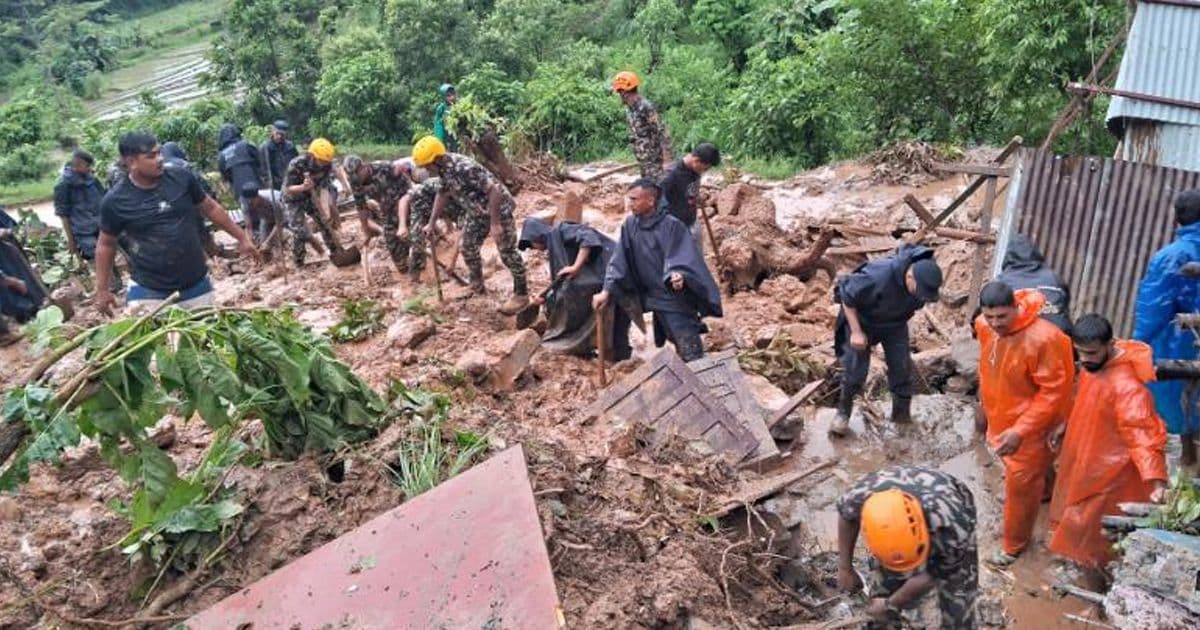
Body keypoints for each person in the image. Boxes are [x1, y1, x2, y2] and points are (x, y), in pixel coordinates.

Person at [1048, 314, 1168, 570]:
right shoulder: (1094, 368)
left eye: (1091, 353)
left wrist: (1155, 479)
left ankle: (1096, 582)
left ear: (1110, 344)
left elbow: (1142, 435)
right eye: (1080, 352)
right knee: (1077, 518)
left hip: (1111, 476)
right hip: (1086, 456)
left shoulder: (1128, 389)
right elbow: (1083, 400)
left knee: (1096, 534)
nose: (1085, 359)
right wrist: (1065, 425)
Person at [95, 132, 259, 315]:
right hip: (149, 290)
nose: (159, 159)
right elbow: (106, 244)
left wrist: (242, 238)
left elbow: (211, 208)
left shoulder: (181, 178)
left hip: (195, 283)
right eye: (151, 156)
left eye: (159, 153)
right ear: (131, 161)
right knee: (157, 340)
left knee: (204, 338)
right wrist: (102, 290)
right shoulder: (115, 201)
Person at [974, 281, 1075, 566]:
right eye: (990, 316)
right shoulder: (983, 326)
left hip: (1034, 423)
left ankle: (1013, 545)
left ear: (1015, 308)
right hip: (1002, 414)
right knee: (1033, 476)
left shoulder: (1046, 339)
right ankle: (1047, 494)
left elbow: (1054, 391)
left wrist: (1021, 430)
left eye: (1002, 317)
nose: (995, 323)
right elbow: (987, 367)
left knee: (1020, 484)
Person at [593, 178, 721, 362]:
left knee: (687, 345)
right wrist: (606, 291)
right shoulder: (630, 225)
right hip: (649, 295)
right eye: (630, 199)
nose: (630, 204)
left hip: (673, 297)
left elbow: (682, 257)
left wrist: (678, 274)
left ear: (651, 201)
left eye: (635, 199)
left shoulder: (672, 226)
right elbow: (618, 260)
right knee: (620, 305)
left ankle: (701, 376)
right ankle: (619, 356)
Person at [836, 466, 978, 629]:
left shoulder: (954, 529)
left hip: (947, 511)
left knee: (958, 603)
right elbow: (846, 516)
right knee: (881, 599)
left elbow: (930, 576)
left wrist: (890, 604)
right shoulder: (858, 496)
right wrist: (845, 567)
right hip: (898, 513)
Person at [831, 245, 944, 436]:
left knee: (901, 369)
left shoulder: (924, 279)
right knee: (855, 371)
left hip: (895, 324)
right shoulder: (878, 276)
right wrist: (856, 332)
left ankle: (901, 417)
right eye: (919, 291)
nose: (921, 296)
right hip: (863, 321)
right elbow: (847, 295)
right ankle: (843, 414)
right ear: (909, 277)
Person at [412, 136, 529, 315]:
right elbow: (442, 193)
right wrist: (431, 222)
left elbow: (494, 191)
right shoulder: (444, 170)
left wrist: (495, 224)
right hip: (476, 212)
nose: (427, 171)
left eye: (427, 166)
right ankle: (477, 285)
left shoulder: (463, 168)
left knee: (507, 252)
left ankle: (521, 294)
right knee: (467, 247)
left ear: (436, 160)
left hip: (499, 209)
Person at [1134, 189, 1200, 470]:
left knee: (1175, 413)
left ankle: (1182, 472)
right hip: (1186, 340)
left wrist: (1135, 348)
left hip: (1177, 345)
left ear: (1177, 219)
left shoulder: (1171, 257)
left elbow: (1152, 308)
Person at [519, 217, 628, 357]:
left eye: (531, 245)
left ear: (536, 236)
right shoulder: (555, 245)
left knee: (619, 320)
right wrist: (544, 296)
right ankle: (616, 359)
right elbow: (563, 278)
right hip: (605, 278)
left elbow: (588, 236)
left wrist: (576, 266)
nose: (534, 249)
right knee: (614, 323)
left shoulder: (561, 230)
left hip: (614, 271)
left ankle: (620, 358)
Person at [281, 138, 356, 267]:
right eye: (320, 161)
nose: (323, 163)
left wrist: (344, 186)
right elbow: (288, 188)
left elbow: (332, 177)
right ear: (312, 155)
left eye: (325, 161)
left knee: (324, 223)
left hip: (312, 196)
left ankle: (337, 252)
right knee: (299, 230)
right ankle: (299, 261)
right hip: (293, 198)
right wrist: (303, 187)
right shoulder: (297, 164)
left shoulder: (327, 163)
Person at [993, 233, 1072, 335]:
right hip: (1057, 336)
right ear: (1035, 253)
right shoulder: (1054, 278)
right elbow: (1065, 304)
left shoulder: (1001, 281)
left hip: (1021, 339)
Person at [162, 142, 227, 260]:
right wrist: (212, 197)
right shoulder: (183, 164)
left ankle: (203, 257)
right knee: (199, 228)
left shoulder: (160, 169)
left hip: (170, 208)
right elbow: (199, 182)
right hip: (191, 203)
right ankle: (211, 254)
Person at [344, 155, 408, 272]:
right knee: (391, 239)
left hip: (404, 202)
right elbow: (361, 206)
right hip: (387, 209)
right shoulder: (355, 181)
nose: (357, 180)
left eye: (358, 175)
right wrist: (366, 230)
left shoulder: (385, 167)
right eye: (353, 177)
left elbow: (408, 188)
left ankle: (419, 269)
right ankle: (403, 268)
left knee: (412, 234)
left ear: (363, 167)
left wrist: (404, 215)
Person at [397, 176, 466, 282]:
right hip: (422, 207)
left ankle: (477, 267)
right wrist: (402, 226)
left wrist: (452, 262)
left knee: (468, 242)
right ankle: (414, 279)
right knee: (417, 240)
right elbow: (404, 199)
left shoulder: (463, 203)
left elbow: (462, 234)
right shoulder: (431, 186)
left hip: (450, 211)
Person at [0, 207, 49, 343]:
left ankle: (34, 312)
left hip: (8, 251)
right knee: (12, 291)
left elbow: (10, 225)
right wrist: (10, 281)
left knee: (25, 280)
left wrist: (8, 232)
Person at [659, 143, 721, 253]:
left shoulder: (695, 170)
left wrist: (695, 197)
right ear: (696, 160)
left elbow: (689, 190)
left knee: (696, 257)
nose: (704, 172)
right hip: (675, 227)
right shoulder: (671, 175)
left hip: (691, 221)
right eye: (704, 169)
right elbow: (660, 202)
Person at [612, 71, 673, 180]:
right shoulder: (631, 109)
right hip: (644, 161)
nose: (619, 95)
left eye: (619, 92)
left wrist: (667, 160)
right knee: (647, 189)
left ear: (625, 92)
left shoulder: (645, 107)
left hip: (655, 161)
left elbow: (662, 131)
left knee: (658, 189)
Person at [53, 149, 105, 268]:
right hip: (83, 232)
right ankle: (106, 285)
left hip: (101, 226)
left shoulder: (92, 179)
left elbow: (104, 200)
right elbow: (64, 216)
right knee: (97, 260)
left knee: (109, 256)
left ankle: (115, 283)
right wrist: (71, 241)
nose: (90, 169)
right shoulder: (62, 185)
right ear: (77, 165)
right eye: (87, 166)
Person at [216, 123, 264, 226]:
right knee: (264, 211)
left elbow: (225, 176)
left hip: (239, 190)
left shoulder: (222, 156)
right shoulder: (246, 144)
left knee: (248, 214)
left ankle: (253, 235)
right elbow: (260, 160)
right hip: (257, 184)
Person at [261, 120, 298, 190]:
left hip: (290, 183)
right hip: (274, 185)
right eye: (277, 133)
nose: (279, 137)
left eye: (282, 135)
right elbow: (263, 171)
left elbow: (296, 163)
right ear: (273, 131)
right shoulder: (265, 147)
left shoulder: (290, 146)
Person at [433, 84, 459, 152]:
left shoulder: (459, 106)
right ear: (443, 97)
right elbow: (438, 124)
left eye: (453, 94)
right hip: (446, 135)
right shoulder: (441, 108)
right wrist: (439, 138)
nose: (451, 97)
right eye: (448, 96)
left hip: (457, 135)